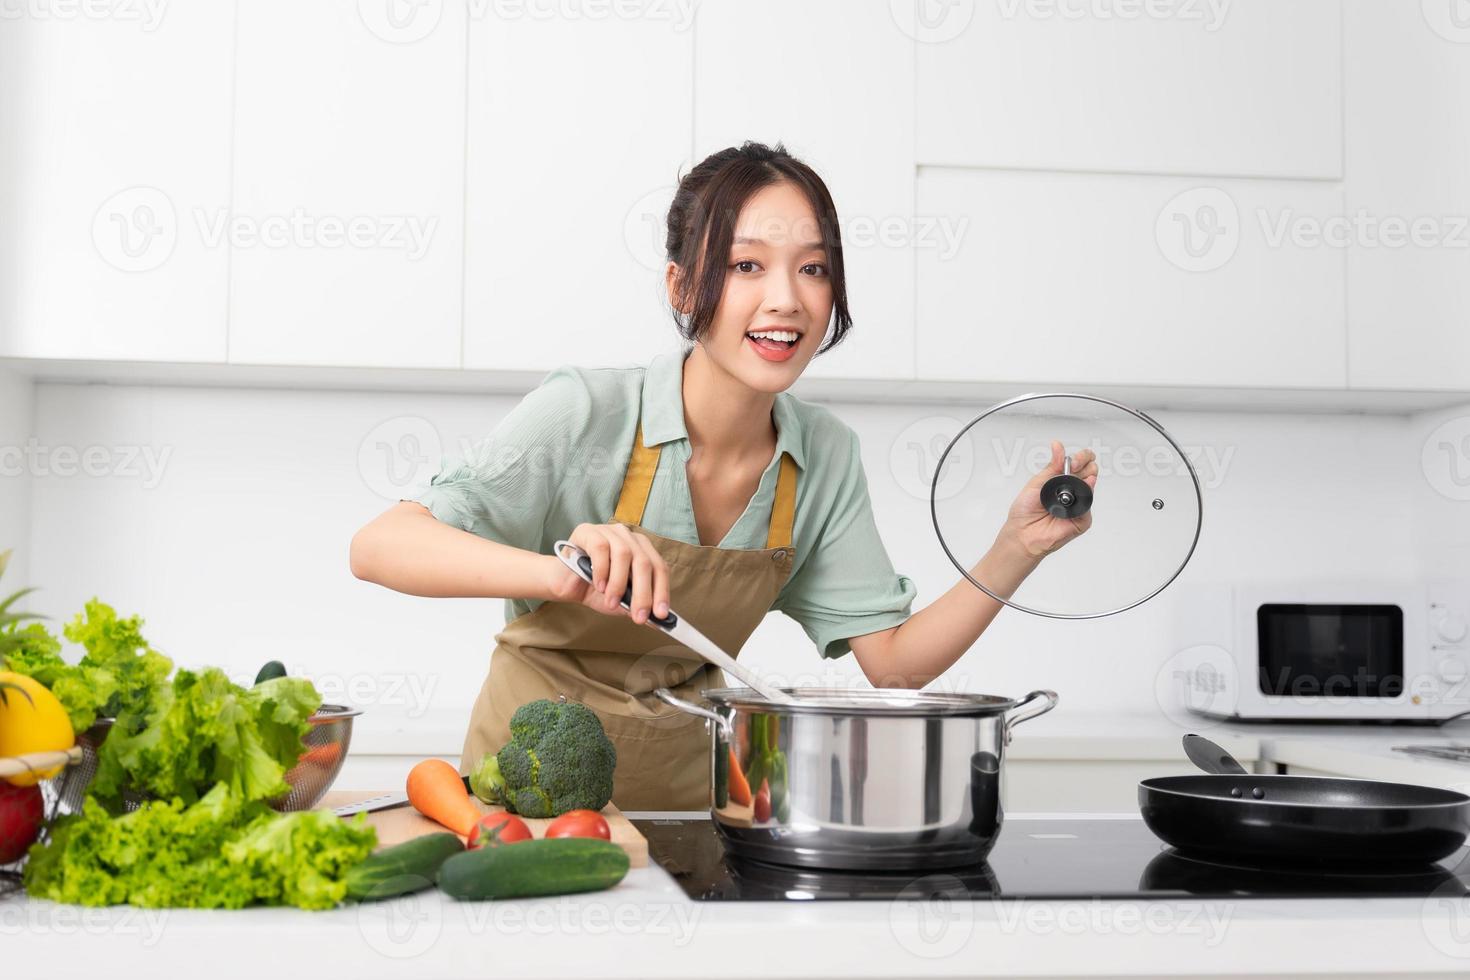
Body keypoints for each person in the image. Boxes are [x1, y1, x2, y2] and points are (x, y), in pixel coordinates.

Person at [349, 141, 1097, 811]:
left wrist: (1017, 548)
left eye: (813, 268)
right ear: (682, 289)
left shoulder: (823, 456)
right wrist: (561, 575)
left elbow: (894, 668)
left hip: (695, 811)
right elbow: (381, 546)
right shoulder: (587, 412)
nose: (786, 298)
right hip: (525, 811)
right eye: (747, 266)